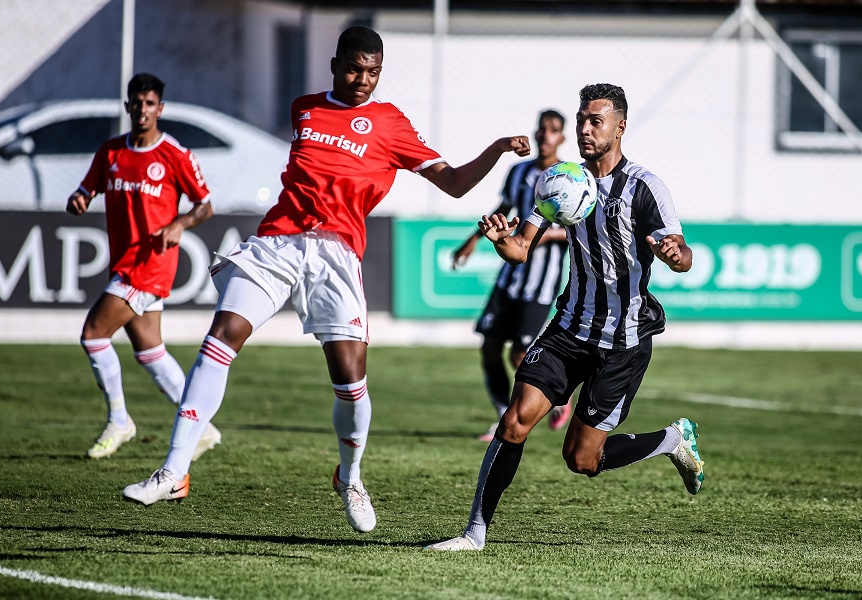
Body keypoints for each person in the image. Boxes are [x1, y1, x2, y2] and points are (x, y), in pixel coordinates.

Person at [122, 26, 530, 534]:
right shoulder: (306, 107)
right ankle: (174, 470)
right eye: (355, 69)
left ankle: (351, 475)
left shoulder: (389, 122)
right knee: (221, 338)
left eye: (374, 72)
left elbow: (451, 184)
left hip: (337, 255)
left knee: (351, 383)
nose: (364, 80)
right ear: (335, 64)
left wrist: (493, 148)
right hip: (279, 241)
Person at [426, 83, 704, 551]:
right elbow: (520, 249)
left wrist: (676, 254)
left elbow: (684, 255)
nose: (585, 129)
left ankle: (672, 439)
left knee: (581, 459)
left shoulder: (644, 187)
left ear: (620, 126)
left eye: (596, 120)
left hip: (623, 341)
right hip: (569, 328)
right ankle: (474, 534)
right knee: (514, 422)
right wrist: (500, 240)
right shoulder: (561, 179)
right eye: (581, 119)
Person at [66, 73, 221, 461]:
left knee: (93, 334)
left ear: (160, 108)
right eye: (137, 103)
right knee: (150, 351)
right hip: (124, 261)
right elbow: (88, 188)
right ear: (128, 107)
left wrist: (180, 223)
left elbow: (205, 205)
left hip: (150, 266)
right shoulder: (112, 153)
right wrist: (79, 198)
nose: (143, 110)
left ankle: (120, 420)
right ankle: (201, 425)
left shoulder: (175, 155)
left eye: (150, 103)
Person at [451, 109, 571, 442]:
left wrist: (542, 235)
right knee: (490, 347)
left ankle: (558, 396)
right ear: (535, 134)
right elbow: (503, 209)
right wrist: (473, 240)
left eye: (554, 130)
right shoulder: (519, 171)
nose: (546, 135)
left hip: (541, 283)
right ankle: (503, 414)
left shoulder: (569, 178)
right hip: (510, 278)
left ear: (562, 138)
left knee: (520, 354)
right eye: (542, 129)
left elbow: (576, 228)